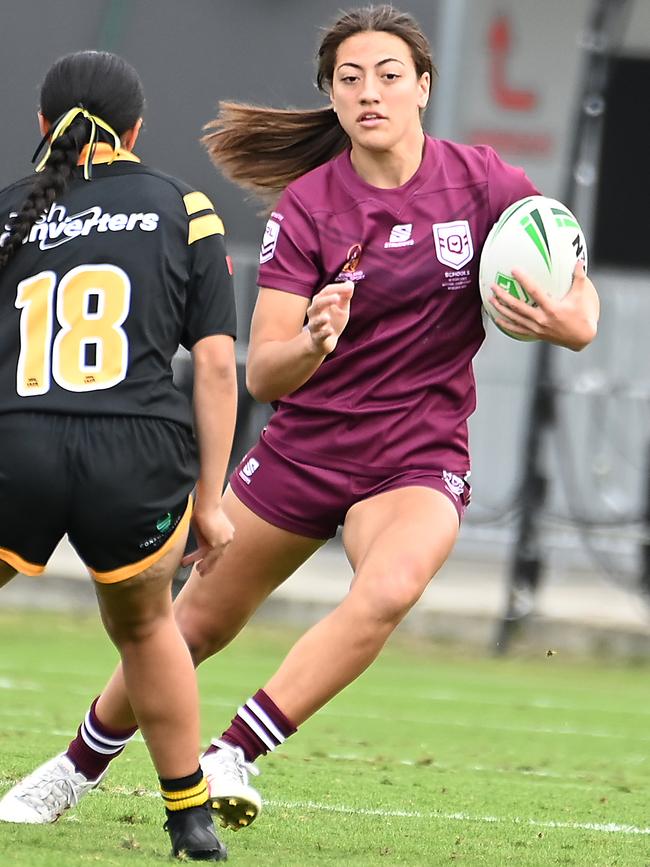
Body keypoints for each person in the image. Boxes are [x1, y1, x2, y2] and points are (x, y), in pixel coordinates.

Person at [1, 4, 600, 843]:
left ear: (424, 86)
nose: (370, 92)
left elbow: (571, 277)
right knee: (187, 625)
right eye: (349, 79)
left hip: (417, 454)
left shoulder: (484, 181)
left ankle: (232, 752)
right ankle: (75, 766)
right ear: (333, 94)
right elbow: (263, 370)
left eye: (389, 75)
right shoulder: (312, 207)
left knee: (386, 589)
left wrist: (573, 323)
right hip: (305, 451)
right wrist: (317, 337)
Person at [0, 50, 238, 861]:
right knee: (145, 630)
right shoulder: (185, 207)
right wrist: (211, 498)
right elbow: (212, 364)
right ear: (137, 130)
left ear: (43, 126)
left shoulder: (8, 211)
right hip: (137, 455)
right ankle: (189, 820)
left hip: (18, 442)